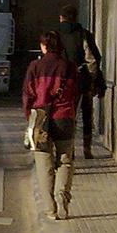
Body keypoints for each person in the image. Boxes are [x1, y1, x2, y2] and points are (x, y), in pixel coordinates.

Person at [23, 31, 80, 220]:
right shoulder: (70, 67)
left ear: (44, 46)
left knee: (43, 162)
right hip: (64, 118)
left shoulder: (35, 66)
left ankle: (50, 208)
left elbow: (28, 95)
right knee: (65, 160)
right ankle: (62, 198)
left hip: (41, 119)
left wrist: (29, 119)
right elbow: (76, 93)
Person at [56, 4, 103, 159]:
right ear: (76, 17)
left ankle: (69, 150)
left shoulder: (55, 35)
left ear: (61, 17)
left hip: (64, 82)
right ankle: (87, 149)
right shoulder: (83, 34)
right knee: (87, 115)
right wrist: (92, 79)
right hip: (83, 80)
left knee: (69, 116)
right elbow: (92, 59)